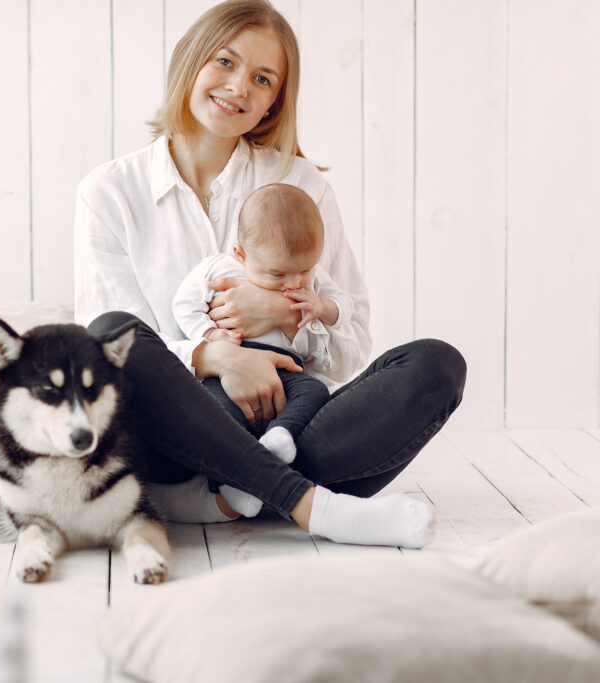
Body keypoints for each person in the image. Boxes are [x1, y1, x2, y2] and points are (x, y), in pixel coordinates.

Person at [73, 0, 466, 548]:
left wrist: (287, 314)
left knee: (436, 364)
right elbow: (109, 357)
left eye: (262, 78)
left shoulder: (301, 184)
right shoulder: (110, 192)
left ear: (273, 102)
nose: (238, 87)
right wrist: (218, 356)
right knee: (107, 332)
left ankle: (233, 496)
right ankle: (309, 505)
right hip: (178, 436)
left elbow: (352, 346)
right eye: (226, 62)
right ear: (191, 61)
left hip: (298, 424)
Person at [170, 183, 338, 516]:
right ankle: (230, 486)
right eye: (278, 274)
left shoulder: (311, 282)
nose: (294, 283)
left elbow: (343, 307)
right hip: (228, 372)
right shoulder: (219, 269)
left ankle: (280, 435)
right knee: (218, 414)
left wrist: (320, 306)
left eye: (305, 270)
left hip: (288, 372)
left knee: (315, 390)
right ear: (241, 254)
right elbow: (184, 303)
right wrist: (211, 334)